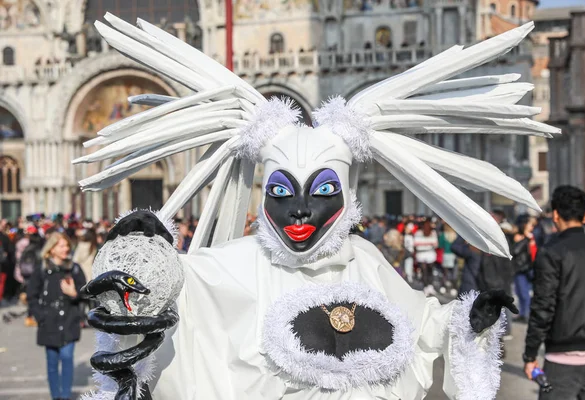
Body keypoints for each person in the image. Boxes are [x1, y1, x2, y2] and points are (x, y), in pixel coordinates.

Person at [76, 17, 550, 400]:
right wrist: (141, 250)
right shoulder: (239, 264)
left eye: (320, 192)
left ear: (345, 197)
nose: (300, 212)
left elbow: (422, 322)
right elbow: (174, 293)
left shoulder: (365, 261)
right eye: (282, 194)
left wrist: (469, 319)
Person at [523, 186, 585, 399]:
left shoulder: (551, 252)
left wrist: (530, 354)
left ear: (555, 215)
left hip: (562, 357)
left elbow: (542, 306)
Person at [27, 232, 86, 400]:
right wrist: (40, 315)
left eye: (67, 245)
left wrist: (74, 293)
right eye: (61, 246)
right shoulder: (42, 269)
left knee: (67, 357)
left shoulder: (74, 268)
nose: (66, 249)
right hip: (49, 320)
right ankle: (56, 396)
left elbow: (85, 292)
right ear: (51, 249)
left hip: (69, 318)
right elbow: (32, 294)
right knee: (52, 362)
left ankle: (65, 396)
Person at [512, 215, 536, 322]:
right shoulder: (519, 237)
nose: (532, 227)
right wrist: (526, 240)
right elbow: (515, 251)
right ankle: (523, 313)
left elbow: (534, 253)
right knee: (521, 293)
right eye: (530, 224)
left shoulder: (531, 237)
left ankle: (525, 314)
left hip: (528, 269)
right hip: (520, 269)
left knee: (525, 294)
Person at [413, 218, 438, 294]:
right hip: (423, 255)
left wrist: (424, 244)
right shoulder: (418, 233)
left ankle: (429, 286)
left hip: (429, 255)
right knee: (425, 272)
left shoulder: (433, 233)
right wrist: (429, 244)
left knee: (429, 271)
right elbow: (416, 244)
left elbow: (435, 244)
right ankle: (426, 286)